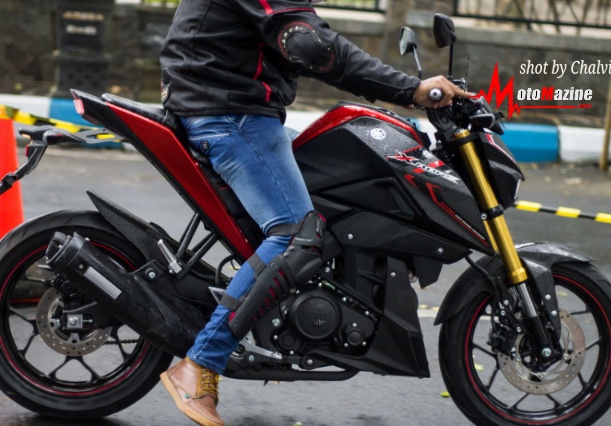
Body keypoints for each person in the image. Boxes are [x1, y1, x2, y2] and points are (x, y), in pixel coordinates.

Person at [158, 1, 470, 425]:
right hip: (230, 116)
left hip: (227, 106)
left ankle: (273, 327)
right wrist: (410, 89)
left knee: (338, 175)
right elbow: (311, 45)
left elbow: (298, 44)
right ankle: (200, 364)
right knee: (295, 234)